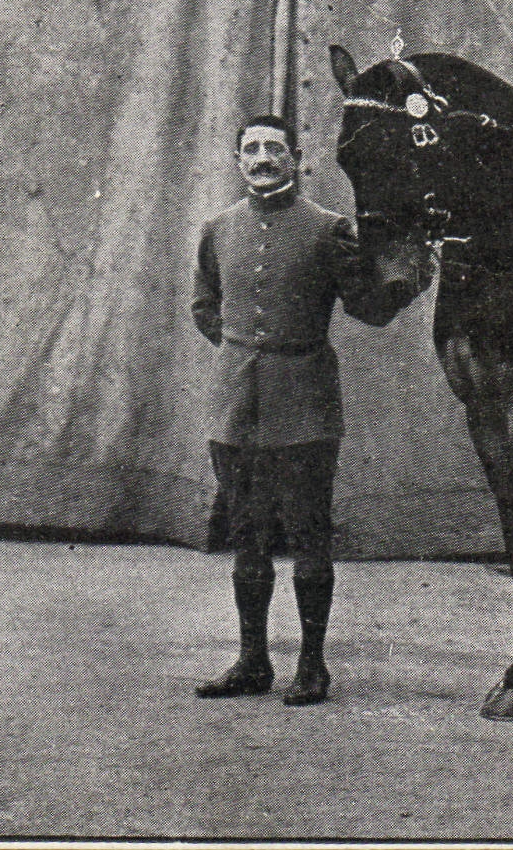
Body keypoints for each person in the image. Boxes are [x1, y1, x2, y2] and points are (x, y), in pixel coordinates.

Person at [190, 114, 369, 706]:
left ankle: (313, 667)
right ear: (237, 160)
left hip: (306, 405)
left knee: (309, 535)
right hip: (235, 405)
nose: (261, 158)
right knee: (247, 536)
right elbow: (205, 306)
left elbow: (368, 304)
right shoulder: (218, 229)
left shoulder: (328, 229)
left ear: (297, 157)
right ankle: (252, 661)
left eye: (273, 148)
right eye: (250, 149)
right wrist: (245, 352)